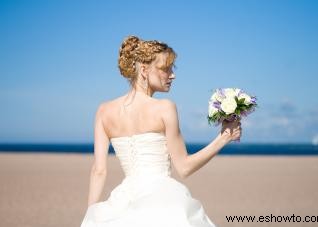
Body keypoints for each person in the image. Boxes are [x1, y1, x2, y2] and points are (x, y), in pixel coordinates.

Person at [80, 35, 242, 227]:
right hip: (164, 201)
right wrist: (224, 138)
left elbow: (99, 171)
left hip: (123, 201)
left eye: (172, 68)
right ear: (144, 70)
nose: (172, 74)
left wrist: (90, 217)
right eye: (165, 68)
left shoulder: (103, 111)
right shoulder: (165, 108)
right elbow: (184, 167)